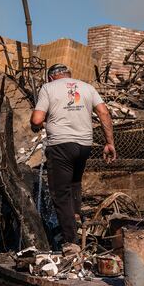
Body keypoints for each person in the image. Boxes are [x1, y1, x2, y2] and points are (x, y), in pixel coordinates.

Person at [30, 63, 116, 254]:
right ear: (69, 75)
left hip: (61, 145)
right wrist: (109, 143)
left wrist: (36, 124)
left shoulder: (48, 88)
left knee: (60, 194)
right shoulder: (87, 87)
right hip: (84, 145)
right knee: (74, 182)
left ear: (51, 77)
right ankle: (76, 216)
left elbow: (37, 119)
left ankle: (72, 243)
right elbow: (104, 112)